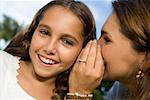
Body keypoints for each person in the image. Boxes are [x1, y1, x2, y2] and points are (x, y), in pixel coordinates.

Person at [0, 0, 96, 99]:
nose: (49, 48)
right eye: (45, 32)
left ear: (85, 51)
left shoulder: (72, 96)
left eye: (67, 42)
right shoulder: (2, 64)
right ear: (33, 31)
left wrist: (79, 94)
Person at [69, 0, 150, 99]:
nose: (95, 45)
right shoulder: (119, 91)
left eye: (107, 40)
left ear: (146, 60)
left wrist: (79, 92)